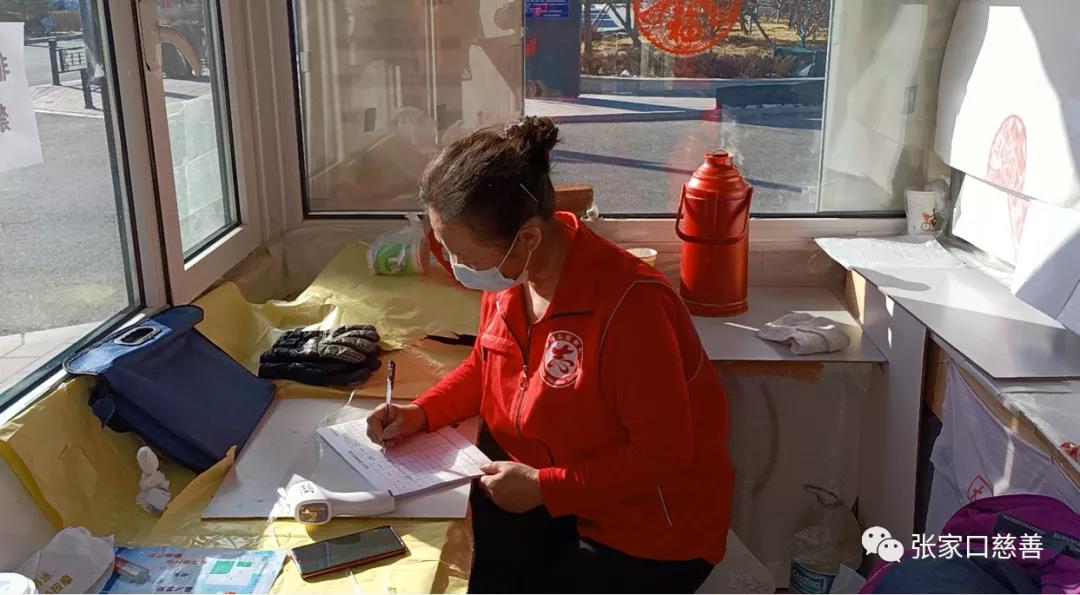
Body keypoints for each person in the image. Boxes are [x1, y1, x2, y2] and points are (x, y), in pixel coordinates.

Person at [367, 116, 733, 593]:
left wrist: (546, 488)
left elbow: (662, 457)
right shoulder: (513, 276)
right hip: (549, 492)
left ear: (528, 238)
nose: (458, 270)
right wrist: (421, 413)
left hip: (646, 530)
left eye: (469, 259)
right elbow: (486, 366)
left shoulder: (631, 308)